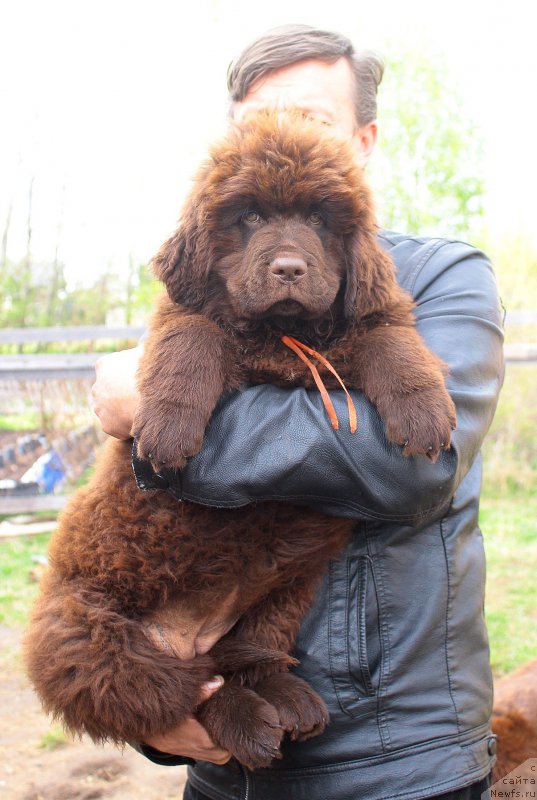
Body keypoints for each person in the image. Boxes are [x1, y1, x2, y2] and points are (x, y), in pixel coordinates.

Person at [92, 24, 504, 800]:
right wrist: (161, 704)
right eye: (256, 122)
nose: (279, 134)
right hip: (228, 761)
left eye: (310, 119)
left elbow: (409, 465)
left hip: (394, 759)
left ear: (364, 138)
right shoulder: (211, 278)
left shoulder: (444, 276)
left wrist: (152, 417)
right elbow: (144, 507)